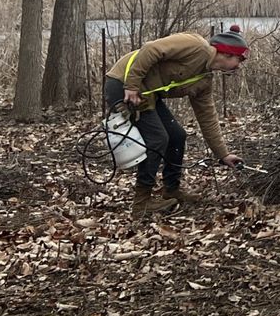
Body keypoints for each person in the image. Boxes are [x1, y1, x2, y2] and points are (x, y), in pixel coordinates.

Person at [104, 26, 249, 218]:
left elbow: (207, 118)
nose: (238, 66)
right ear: (227, 53)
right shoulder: (196, 46)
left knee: (177, 136)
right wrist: (131, 85)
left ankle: (171, 189)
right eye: (238, 60)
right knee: (158, 139)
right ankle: (141, 203)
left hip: (148, 94)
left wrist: (223, 154)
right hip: (123, 83)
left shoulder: (204, 80)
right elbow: (150, 49)